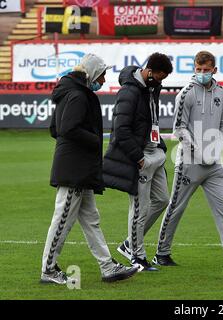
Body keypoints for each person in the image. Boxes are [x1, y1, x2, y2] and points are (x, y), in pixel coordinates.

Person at [41, 53, 138, 285]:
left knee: (91, 220)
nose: (104, 80)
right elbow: (67, 128)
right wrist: (95, 140)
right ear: (93, 74)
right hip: (74, 170)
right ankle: (48, 269)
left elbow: (56, 129)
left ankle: (107, 267)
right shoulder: (78, 95)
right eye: (103, 74)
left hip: (78, 169)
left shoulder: (70, 93)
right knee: (62, 220)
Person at [152, 51, 223, 269]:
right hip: (189, 163)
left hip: (214, 164)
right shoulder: (186, 94)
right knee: (176, 208)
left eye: (206, 70)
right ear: (194, 69)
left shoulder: (221, 92)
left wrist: (220, 144)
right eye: (198, 70)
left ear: (214, 70)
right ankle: (161, 253)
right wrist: (197, 151)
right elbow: (178, 129)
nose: (202, 74)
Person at [103, 53, 173, 272]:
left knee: (162, 200)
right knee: (139, 208)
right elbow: (120, 129)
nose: (162, 82)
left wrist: (159, 145)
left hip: (155, 153)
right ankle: (138, 258)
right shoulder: (129, 91)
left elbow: (151, 121)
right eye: (160, 77)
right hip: (141, 156)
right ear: (150, 71)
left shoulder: (152, 88)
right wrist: (138, 157)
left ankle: (128, 245)